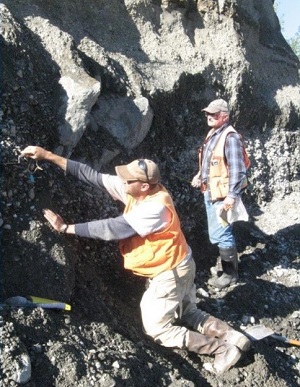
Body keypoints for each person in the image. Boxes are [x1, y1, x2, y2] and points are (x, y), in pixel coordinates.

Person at [20, 145, 250, 373]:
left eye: (128, 180)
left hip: (170, 274)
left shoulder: (155, 207)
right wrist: (47, 155)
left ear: (144, 185)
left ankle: (221, 350)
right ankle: (232, 337)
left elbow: (113, 228)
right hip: (181, 263)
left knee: (157, 328)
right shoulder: (137, 190)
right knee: (188, 311)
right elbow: (91, 175)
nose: (123, 182)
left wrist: (66, 228)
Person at [191, 99, 249, 289]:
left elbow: (238, 169)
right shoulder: (214, 134)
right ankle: (226, 266)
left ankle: (230, 274)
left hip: (223, 195)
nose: (209, 116)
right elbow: (210, 161)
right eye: (208, 113)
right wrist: (200, 175)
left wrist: (232, 196)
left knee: (222, 232)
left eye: (214, 114)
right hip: (211, 191)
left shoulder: (230, 137)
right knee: (218, 232)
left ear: (225, 116)